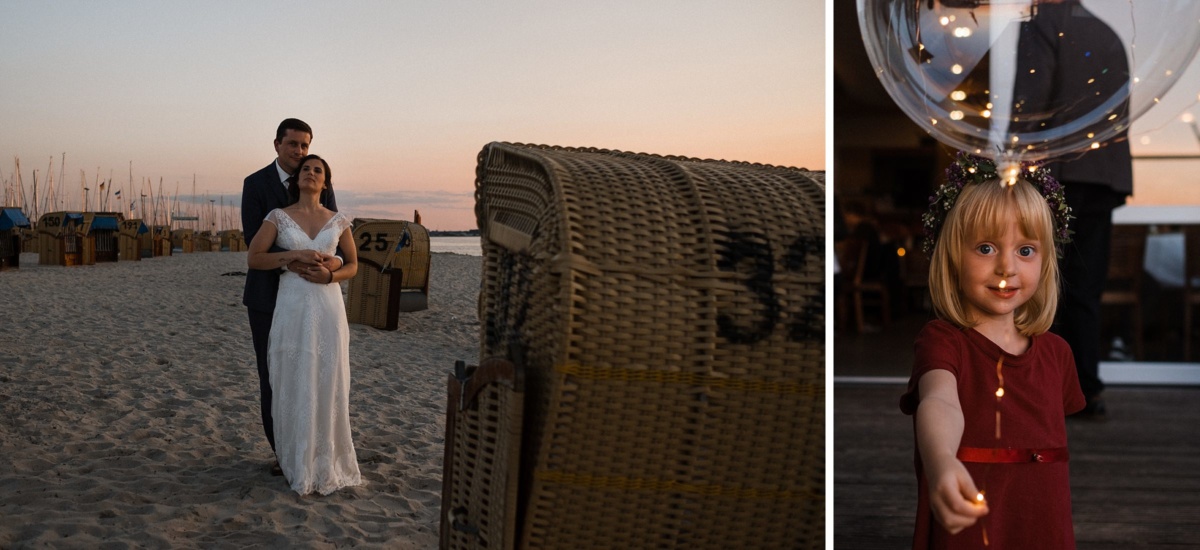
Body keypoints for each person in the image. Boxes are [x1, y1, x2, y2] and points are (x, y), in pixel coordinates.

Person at [899, 155, 1086, 548]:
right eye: (985, 248)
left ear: (1046, 260)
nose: (1006, 267)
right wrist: (942, 461)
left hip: (1042, 521)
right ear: (952, 256)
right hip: (974, 519)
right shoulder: (944, 341)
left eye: (1026, 250)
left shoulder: (1056, 353)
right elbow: (940, 401)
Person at [1013, 2, 1132, 418]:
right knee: (1084, 287)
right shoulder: (1109, 33)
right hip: (1104, 176)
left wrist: (1011, 156)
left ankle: (1047, 393)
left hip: (1059, 175)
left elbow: (1033, 95)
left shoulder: (1045, 21)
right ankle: (1087, 391)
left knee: (1043, 286)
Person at [247, 154, 362, 495]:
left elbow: (353, 265)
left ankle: (325, 457)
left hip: (328, 306)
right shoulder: (278, 218)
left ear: (325, 183)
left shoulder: (338, 220)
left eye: (318, 171)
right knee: (293, 376)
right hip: (293, 305)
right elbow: (254, 257)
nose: (311, 173)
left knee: (329, 377)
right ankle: (294, 457)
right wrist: (291, 256)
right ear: (296, 180)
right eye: (306, 169)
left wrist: (331, 274)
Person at [242, 119, 342, 475]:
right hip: (267, 297)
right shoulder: (255, 185)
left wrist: (331, 267)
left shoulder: (318, 181)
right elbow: (252, 243)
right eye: (293, 145)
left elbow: (332, 236)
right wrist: (292, 259)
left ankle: (314, 451)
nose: (299, 152)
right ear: (277, 144)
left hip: (317, 298)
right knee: (274, 375)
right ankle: (282, 452)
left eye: (305, 145)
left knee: (316, 370)